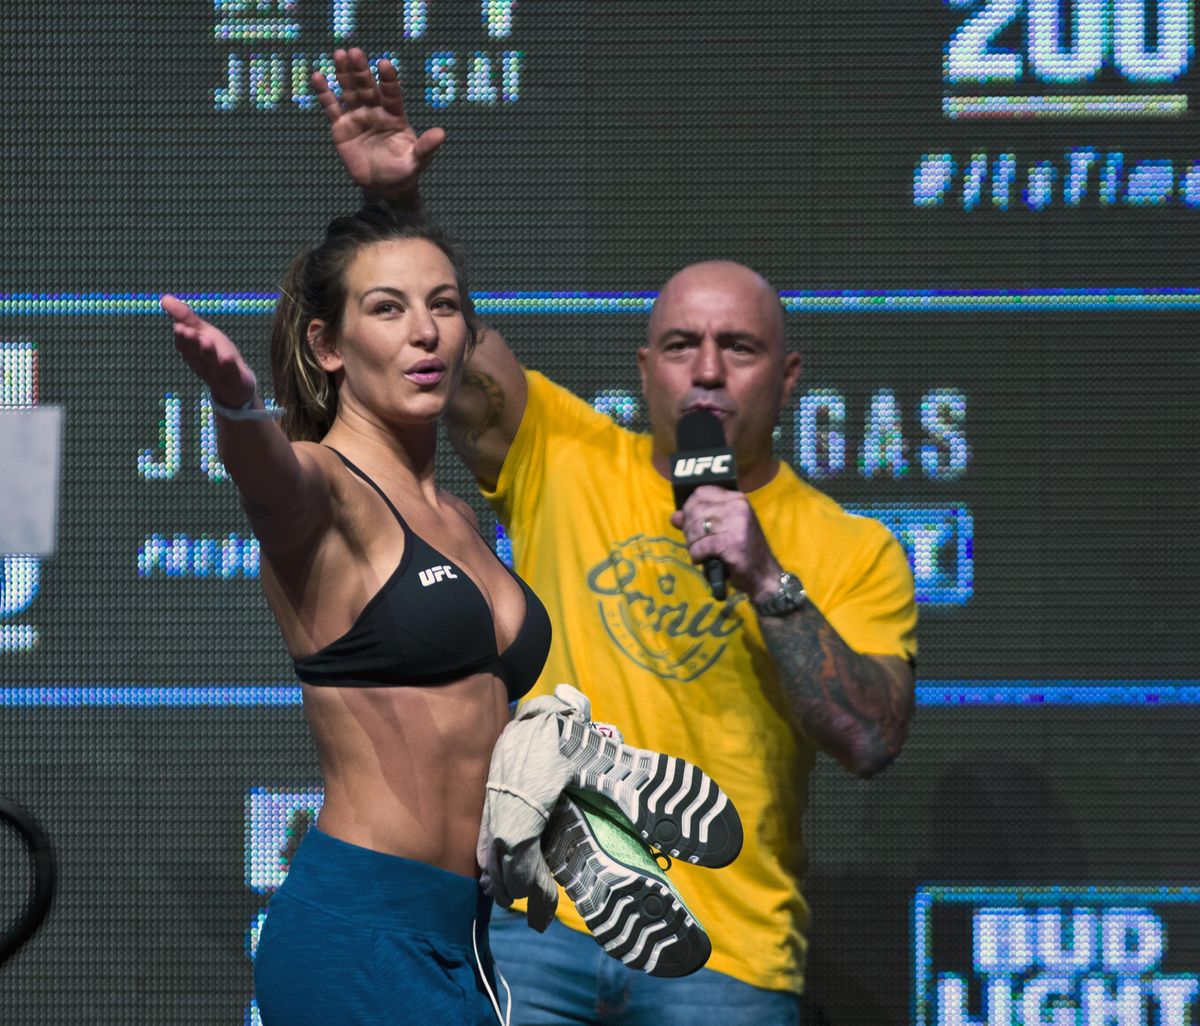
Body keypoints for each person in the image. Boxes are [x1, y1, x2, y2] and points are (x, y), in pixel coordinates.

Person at [315, 50, 918, 1026]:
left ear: (790, 375)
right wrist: (395, 209)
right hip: (541, 921)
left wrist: (768, 578)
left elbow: (869, 736)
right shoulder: (567, 449)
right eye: (682, 346)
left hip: (727, 955)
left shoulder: (852, 548)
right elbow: (444, 354)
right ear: (646, 369)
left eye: (740, 348)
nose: (708, 371)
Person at [161, 202, 552, 1025]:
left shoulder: (455, 515)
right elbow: (272, 480)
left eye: (443, 306)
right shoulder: (325, 488)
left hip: (467, 935)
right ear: (327, 346)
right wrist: (238, 408)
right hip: (361, 932)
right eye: (388, 308)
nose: (426, 332)